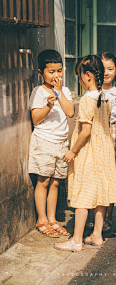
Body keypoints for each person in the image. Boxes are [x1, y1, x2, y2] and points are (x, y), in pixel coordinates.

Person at [54, 55, 116, 252]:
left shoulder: (85, 100)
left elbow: (86, 131)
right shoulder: (105, 97)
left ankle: (76, 240)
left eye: (80, 76)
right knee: (100, 194)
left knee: (83, 195)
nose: (79, 80)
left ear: (88, 75)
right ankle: (97, 235)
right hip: (104, 151)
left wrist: (72, 151)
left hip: (88, 152)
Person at [29, 49, 75, 238]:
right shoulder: (38, 92)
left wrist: (59, 93)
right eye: (51, 72)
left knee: (56, 182)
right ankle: (42, 220)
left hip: (61, 143)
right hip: (44, 141)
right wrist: (48, 105)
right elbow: (35, 120)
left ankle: (52, 219)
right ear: (41, 73)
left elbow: (70, 112)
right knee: (44, 180)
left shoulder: (64, 91)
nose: (56, 75)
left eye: (59, 71)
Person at [86, 52, 116, 233]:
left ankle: (107, 217)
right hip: (95, 135)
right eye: (102, 69)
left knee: (109, 178)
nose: (106, 72)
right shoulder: (93, 92)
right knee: (94, 176)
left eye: (110, 69)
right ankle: (92, 217)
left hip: (114, 136)